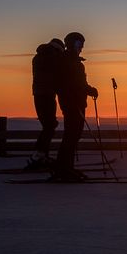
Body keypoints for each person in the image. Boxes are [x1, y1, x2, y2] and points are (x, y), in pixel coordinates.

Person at [54, 32, 99, 181]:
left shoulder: (69, 62)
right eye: (79, 45)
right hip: (73, 104)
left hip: (74, 103)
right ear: (72, 45)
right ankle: (63, 170)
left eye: (82, 45)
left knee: (73, 136)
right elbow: (76, 85)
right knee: (71, 136)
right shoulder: (69, 63)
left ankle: (67, 168)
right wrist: (89, 90)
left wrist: (88, 90)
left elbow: (78, 84)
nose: (81, 48)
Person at [26, 38, 65, 170]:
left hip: (40, 94)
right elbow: (56, 69)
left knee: (49, 125)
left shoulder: (40, 56)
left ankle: (41, 155)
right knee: (50, 125)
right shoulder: (50, 56)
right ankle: (38, 156)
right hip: (46, 94)